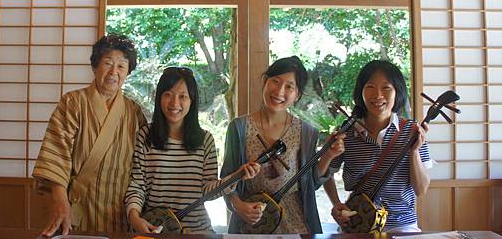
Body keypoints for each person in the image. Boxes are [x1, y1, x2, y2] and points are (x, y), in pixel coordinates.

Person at [32, 34, 147, 236]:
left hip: (118, 212)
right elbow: (55, 155)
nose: (114, 72)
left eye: (121, 66)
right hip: (76, 209)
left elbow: (143, 165)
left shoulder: (134, 113)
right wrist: (60, 202)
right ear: (95, 67)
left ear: (128, 72)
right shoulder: (73, 103)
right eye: (108, 63)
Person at [125, 67, 260, 234]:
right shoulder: (146, 136)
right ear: (159, 97)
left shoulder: (205, 140)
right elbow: (138, 185)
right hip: (156, 228)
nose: (174, 103)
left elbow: (207, 192)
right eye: (168, 94)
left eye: (183, 96)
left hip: (197, 231)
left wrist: (236, 176)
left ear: (192, 100)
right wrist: (134, 217)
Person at [220, 56, 345, 234]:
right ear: (264, 82)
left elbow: (311, 182)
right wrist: (238, 205)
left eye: (289, 87)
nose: (279, 91)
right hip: (252, 221)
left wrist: (329, 155)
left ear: (297, 95)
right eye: (275, 81)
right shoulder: (239, 128)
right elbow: (226, 178)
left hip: (295, 222)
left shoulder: (307, 132)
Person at [325, 60, 433, 232]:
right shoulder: (348, 132)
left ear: (398, 92)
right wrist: (337, 204)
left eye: (386, 88)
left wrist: (413, 151)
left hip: (401, 224)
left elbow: (421, 189)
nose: (378, 95)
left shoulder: (412, 131)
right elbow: (327, 173)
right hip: (358, 222)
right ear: (360, 92)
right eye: (370, 87)